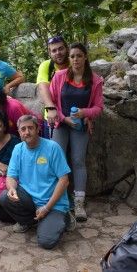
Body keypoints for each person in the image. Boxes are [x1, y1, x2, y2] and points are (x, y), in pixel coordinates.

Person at [49, 42, 104, 221]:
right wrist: (64, 118)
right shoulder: (59, 76)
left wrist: (84, 113)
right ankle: (58, 199)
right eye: (72, 56)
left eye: (79, 56)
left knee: (78, 160)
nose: (75, 60)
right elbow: (52, 102)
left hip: (80, 125)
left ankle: (79, 202)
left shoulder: (95, 80)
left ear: (85, 57)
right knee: (57, 158)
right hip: (62, 123)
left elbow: (98, 107)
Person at [0, 115, 71, 249]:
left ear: (38, 129)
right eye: (23, 129)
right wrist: (12, 189)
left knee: (46, 242)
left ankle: (63, 218)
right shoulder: (18, 149)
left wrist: (47, 208)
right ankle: (30, 222)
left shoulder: (52, 147)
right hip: (30, 200)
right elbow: (11, 177)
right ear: (19, 132)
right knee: (4, 196)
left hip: (53, 204)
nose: (27, 132)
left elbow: (64, 180)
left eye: (30, 128)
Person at [36, 35, 70, 135]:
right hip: (53, 117)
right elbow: (43, 86)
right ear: (50, 53)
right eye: (54, 51)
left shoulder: (74, 63)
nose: (58, 53)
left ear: (67, 48)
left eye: (61, 49)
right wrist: (51, 108)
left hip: (74, 116)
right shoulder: (47, 65)